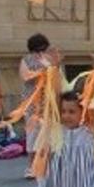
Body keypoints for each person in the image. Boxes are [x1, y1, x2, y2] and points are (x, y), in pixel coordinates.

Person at [19, 33, 62, 179]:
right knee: (32, 136)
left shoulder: (50, 58)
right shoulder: (26, 59)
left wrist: (52, 66)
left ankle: (46, 165)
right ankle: (31, 166)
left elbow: (58, 77)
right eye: (37, 49)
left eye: (43, 49)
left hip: (49, 104)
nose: (40, 52)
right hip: (32, 105)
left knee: (48, 136)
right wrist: (43, 71)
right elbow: (25, 76)